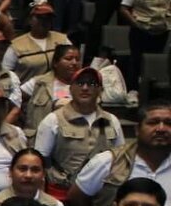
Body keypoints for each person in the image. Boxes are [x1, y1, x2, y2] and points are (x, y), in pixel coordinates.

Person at [68, 102, 171, 206]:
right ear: (137, 130)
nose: (161, 128)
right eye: (153, 122)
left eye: (169, 123)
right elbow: (77, 196)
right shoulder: (109, 161)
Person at [33, 65, 124, 197]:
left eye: (92, 83)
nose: (85, 88)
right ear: (71, 88)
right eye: (80, 83)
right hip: (62, 192)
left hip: (100, 195)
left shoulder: (112, 121)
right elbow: (40, 160)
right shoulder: (53, 120)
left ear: (100, 90)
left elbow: (120, 159)